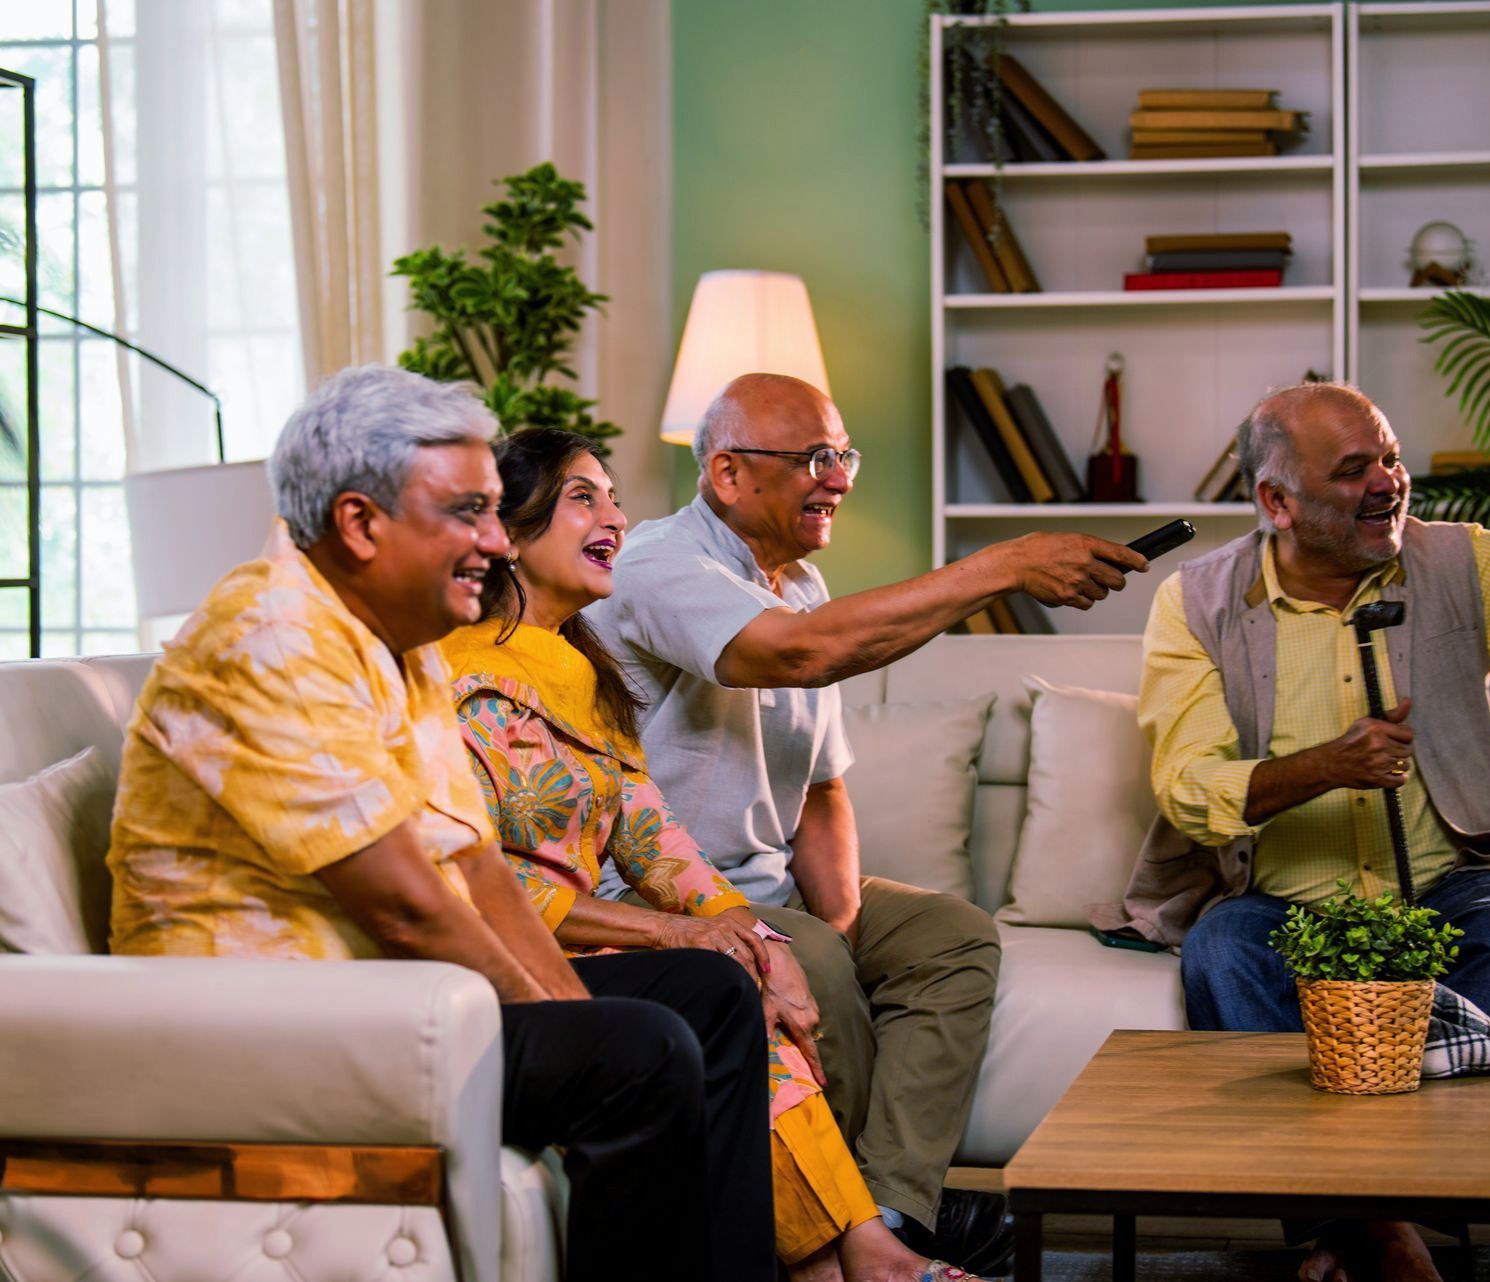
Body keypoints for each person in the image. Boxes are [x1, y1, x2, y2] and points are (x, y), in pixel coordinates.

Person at [106, 366, 776, 1282]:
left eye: (495, 512)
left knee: (709, 994)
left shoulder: (399, 642)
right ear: (359, 522)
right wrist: (578, 1034)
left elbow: (478, 869)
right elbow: (408, 907)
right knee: (643, 1049)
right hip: (269, 1031)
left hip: (387, 1003)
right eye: (468, 513)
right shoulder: (268, 635)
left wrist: (575, 1023)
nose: (497, 542)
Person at [586, 372, 1150, 1270]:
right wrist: (1003, 564)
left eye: (842, 453)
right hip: (674, 897)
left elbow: (822, 789)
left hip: (771, 883)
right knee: (811, 961)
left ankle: (888, 1217)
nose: (838, 477)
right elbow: (794, 657)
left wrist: (843, 920)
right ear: (727, 474)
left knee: (950, 935)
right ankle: (826, 1238)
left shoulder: (802, 585)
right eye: (812, 458)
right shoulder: (658, 564)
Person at [1096, 380, 1490, 1282]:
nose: (1388, 482)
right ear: (1277, 502)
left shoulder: (1461, 563)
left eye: (1390, 458)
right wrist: (1326, 765)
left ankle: (1354, 1230)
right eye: (1353, 471)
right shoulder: (1194, 602)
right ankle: (1388, 1234)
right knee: (1223, 953)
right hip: (1284, 900)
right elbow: (1190, 791)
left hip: (1452, 882)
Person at [440, 427, 970, 1282]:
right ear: (509, 532)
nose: (615, 514)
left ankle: (851, 1248)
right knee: (719, 982)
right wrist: (685, 939)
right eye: (583, 497)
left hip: (592, 939)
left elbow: (653, 835)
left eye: (613, 495)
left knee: (753, 969)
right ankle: (840, 1259)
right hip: (512, 959)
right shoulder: (464, 677)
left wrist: (747, 932)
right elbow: (484, 889)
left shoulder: (582, 667)